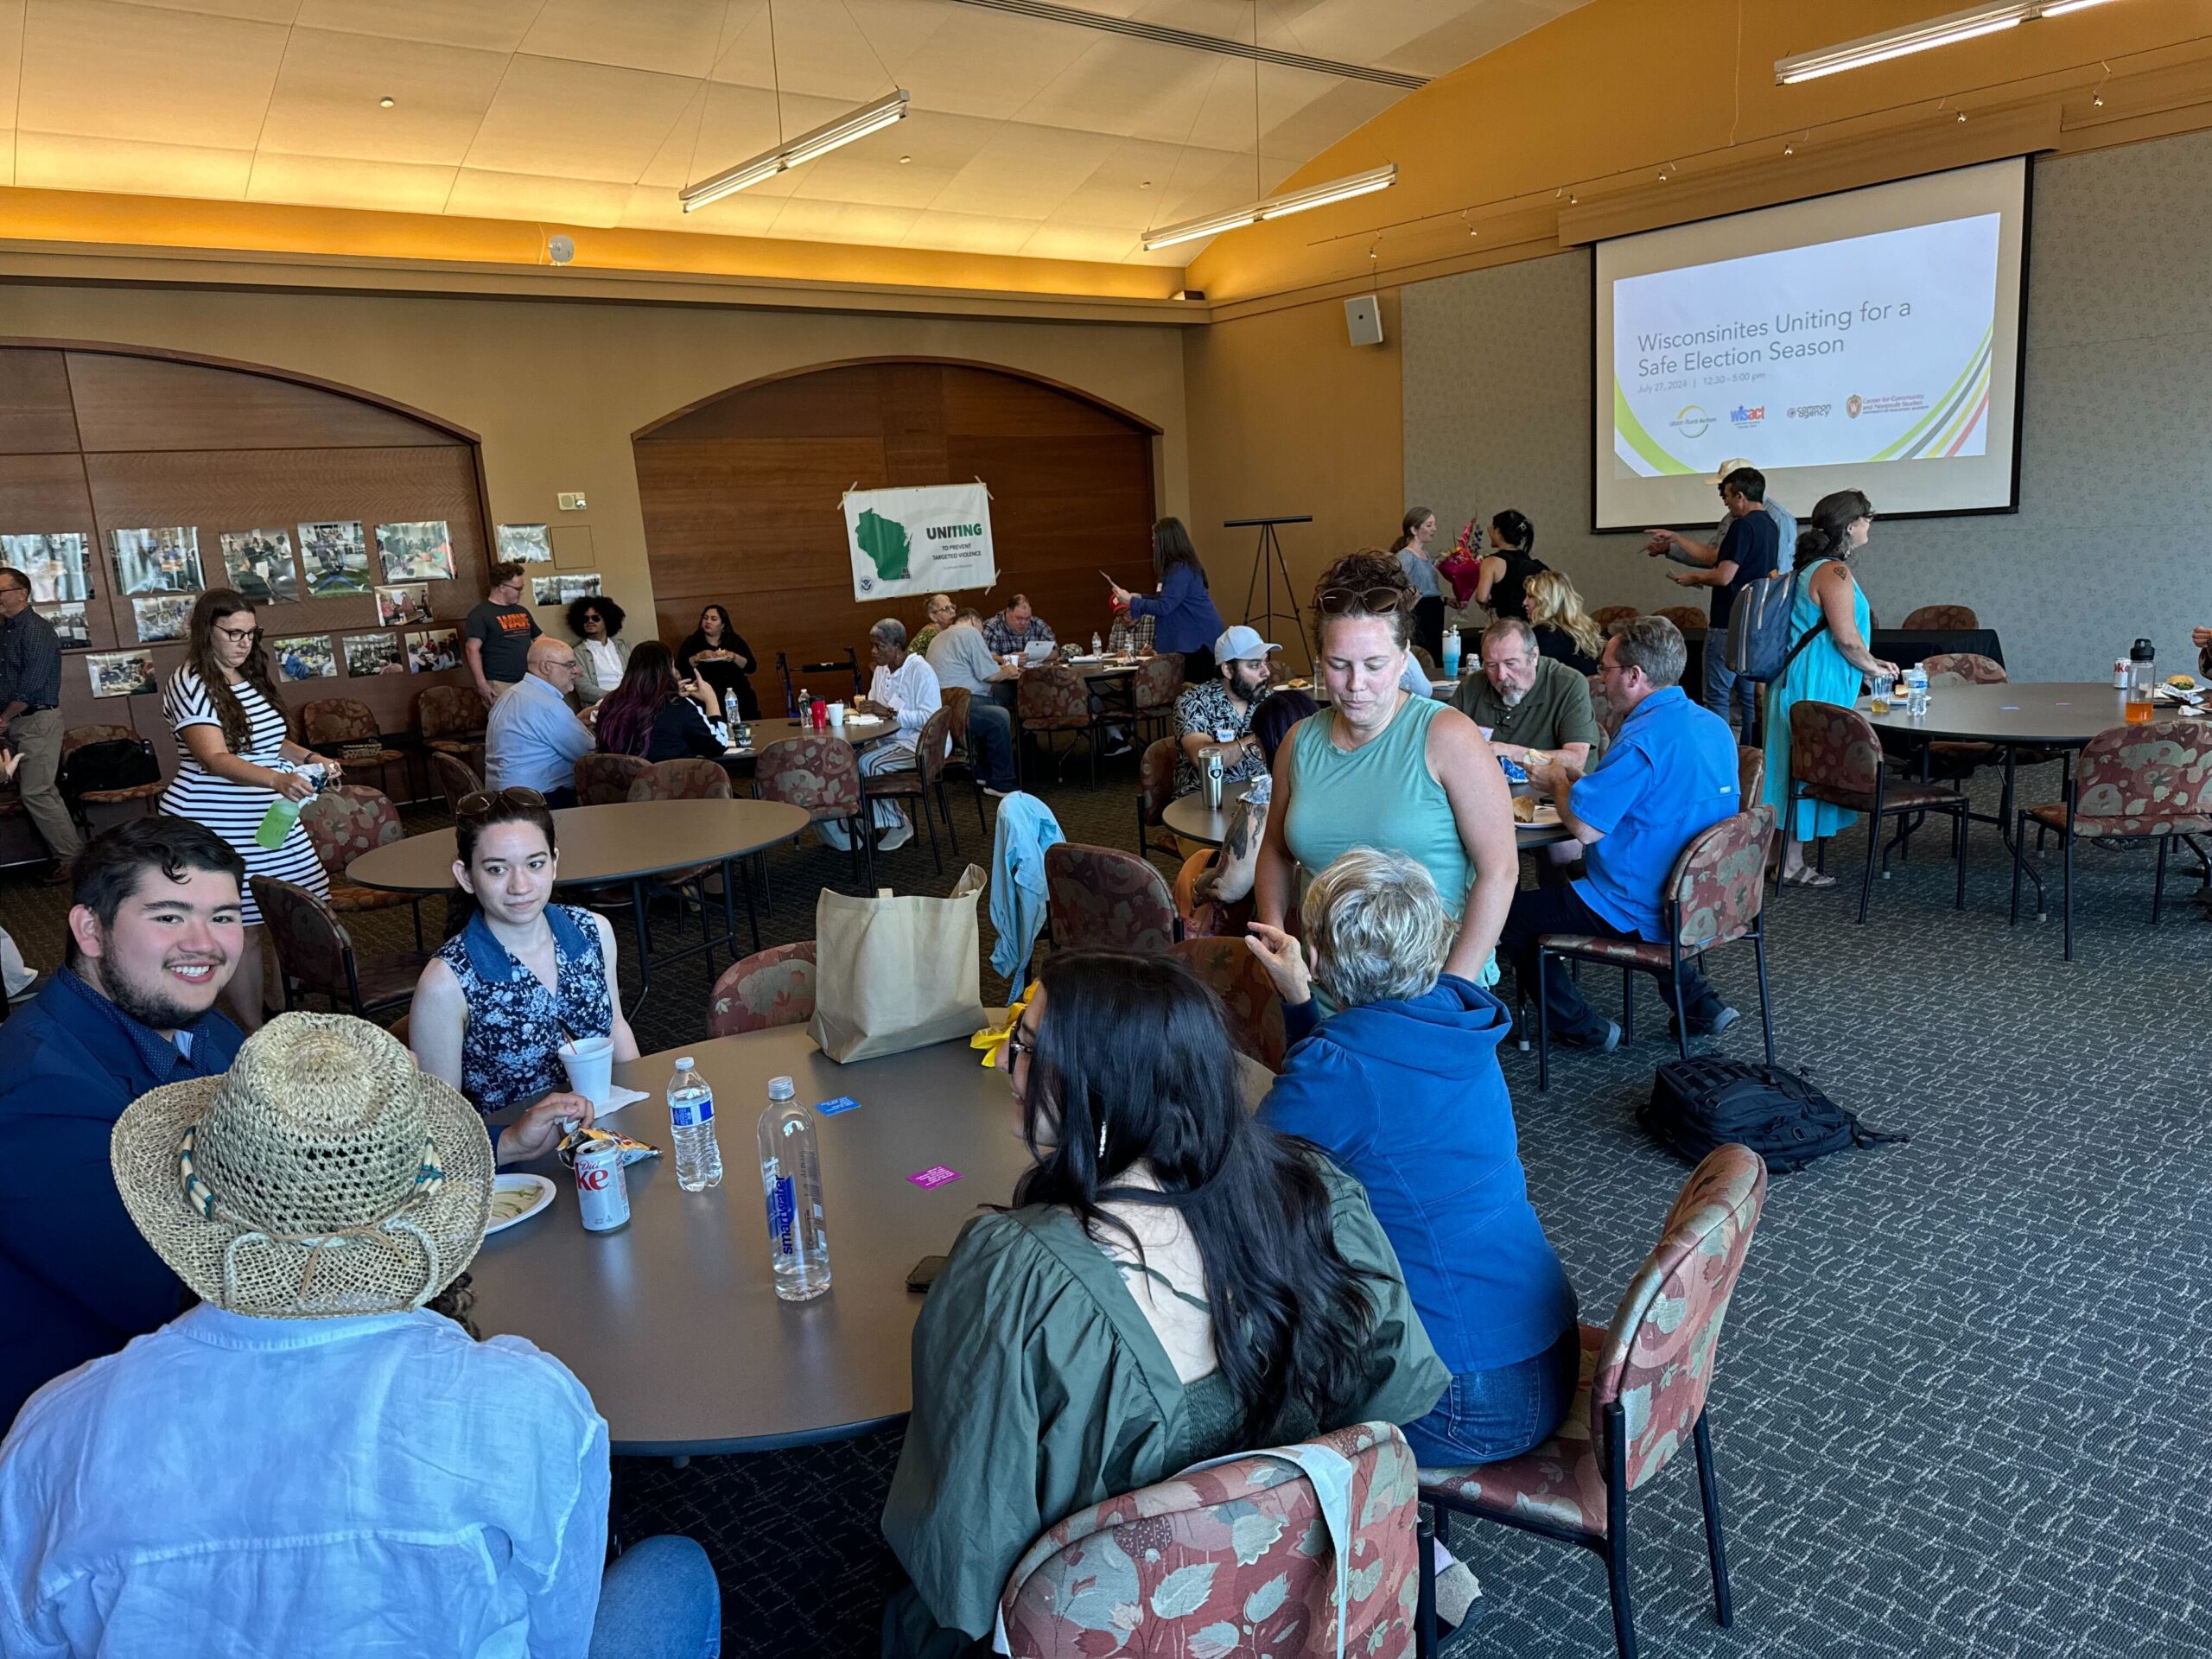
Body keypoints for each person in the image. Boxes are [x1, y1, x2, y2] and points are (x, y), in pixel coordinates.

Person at [0, 1013, 719, 1659]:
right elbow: (556, 1640)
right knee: (674, 1570)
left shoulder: (56, 1434)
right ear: (428, 1206)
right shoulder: (527, 1405)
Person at [880, 950, 1447, 1658]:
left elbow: (965, 1556)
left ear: (1104, 1086)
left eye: (1024, 1048)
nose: (1003, 1066)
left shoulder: (1020, 1275)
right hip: (1296, 1605)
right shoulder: (1316, 1196)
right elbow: (1395, 1398)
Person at [1248, 848, 1579, 1475]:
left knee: (1251, 1383)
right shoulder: (1459, 1015)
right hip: (1548, 1348)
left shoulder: (1340, 1071)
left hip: (1466, 1399)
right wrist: (1301, 1005)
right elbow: (1353, 1089)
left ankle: (1396, 1550)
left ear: (1316, 960)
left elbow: (1245, 1180)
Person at [0, 820, 249, 1429]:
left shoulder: (200, 1026)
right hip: (101, 1412)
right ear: (90, 929)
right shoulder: (38, 1090)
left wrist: (501, 1145)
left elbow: (287, 1146)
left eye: (223, 916)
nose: (205, 944)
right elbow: (174, 1295)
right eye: (168, 917)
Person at [1257, 551, 1518, 996]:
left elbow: (1501, 871)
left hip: (1432, 989)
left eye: (1375, 665)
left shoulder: (1448, 736)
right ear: (1320, 660)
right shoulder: (1298, 743)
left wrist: (1455, 989)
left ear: (1403, 662)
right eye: (1339, 665)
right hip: (1323, 993)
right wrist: (1276, 940)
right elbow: (1277, 852)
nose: (1356, 684)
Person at [1499, 616, 1743, 1049]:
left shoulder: (1640, 741)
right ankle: (1700, 1003)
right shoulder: (1712, 725)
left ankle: (1581, 1027)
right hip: (1705, 893)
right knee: (1624, 906)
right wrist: (1577, 780)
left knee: (1510, 917)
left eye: (1606, 669)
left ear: (1634, 676)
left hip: (1641, 898)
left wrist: (1557, 782)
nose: (1600, 677)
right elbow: (1651, 799)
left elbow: (1585, 830)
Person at [411, 787, 634, 1143]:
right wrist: (513, 1140)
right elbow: (439, 1127)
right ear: (466, 876)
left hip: (612, 1140)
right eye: (497, 869)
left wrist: (644, 1107)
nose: (520, 886)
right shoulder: (446, 981)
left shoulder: (593, 932)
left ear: (555, 862)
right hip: (520, 1166)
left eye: (535, 864)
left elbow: (615, 1027)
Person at [160, 589, 337, 1030]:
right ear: (207, 631)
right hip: (219, 819)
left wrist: (310, 759)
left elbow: (268, 740)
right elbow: (214, 758)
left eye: (250, 634)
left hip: (267, 816)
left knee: (285, 917)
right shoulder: (191, 681)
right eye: (233, 633)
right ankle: (255, 1029)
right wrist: (278, 778)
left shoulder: (246, 672)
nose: (243, 643)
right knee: (246, 928)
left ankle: (280, 1009)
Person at [1763, 490, 1899, 887]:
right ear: (1852, 525)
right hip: (1814, 681)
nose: (1869, 526)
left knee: (1789, 766)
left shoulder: (1812, 568)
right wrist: (1877, 668)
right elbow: (1848, 639)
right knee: (1805, 767)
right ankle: (1789, 865)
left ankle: (1775, 859)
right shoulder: (1834, 572)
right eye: (1868, 519)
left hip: (1799, 679)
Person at [1173, 689, 1316, 938]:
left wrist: (1196, 886)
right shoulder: (1348, 782)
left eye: (1258, 747)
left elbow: (1230, 887)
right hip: (1339, 916)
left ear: (1271, 744)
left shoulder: (1263, 798)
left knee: (1192, 873)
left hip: (1282, 923)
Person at [1654, 465, 1782, 741]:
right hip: (1754, 626)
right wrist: (1676, 539)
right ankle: (1747, 759)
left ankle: (1718, 754)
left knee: (1717, 697)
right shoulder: (1771, 525)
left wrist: (1693, 578)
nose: (1724, 501)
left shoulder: (1741, 526)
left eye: (1725, 495)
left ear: (1740, 496)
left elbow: (1724, 576)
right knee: (1747, 698)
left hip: (1728, 622)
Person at [830, 619, 942, 855]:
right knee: (845, 760)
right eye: (872, 645)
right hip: (888, 739)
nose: (873, 651)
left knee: (866, 764)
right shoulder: (881, 670)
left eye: (879, 646)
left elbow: (931, 717)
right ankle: (868, 817)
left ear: (897, 647)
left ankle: (899, 823)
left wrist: (890, 712)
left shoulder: (920, 670)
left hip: (918, 743)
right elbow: (875, 706)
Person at [0, 566, 81, 883]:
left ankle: (73, 859)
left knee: (38, 792)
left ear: (21, 593)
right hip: (14, 720)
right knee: (35, 791)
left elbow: (31, 685)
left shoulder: (35, 630)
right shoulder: (7, 631)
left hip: (35, 720)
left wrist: (4, 717)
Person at [1450, 616, 1601, 774]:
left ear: (1534, 656)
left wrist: (1511, 753)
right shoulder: (1471, 686)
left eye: (1510, 664)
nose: (1501, 675)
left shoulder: (1568, 684)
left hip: (1552, 794)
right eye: (1492, 665)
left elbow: (1576, 760)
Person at [1108, 518, 1227, 683]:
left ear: (1166, 542)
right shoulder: (1177, 569)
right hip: (1189, 639)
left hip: (1196, 642)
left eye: (1154, 541)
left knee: (1196, 689)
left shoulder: (1181, 570)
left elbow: (1164, 606)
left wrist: (1131, 601)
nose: (1152, 545)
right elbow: (1165, 599)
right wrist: (1139, 597)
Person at [483, 637, 594, 809]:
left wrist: (577, 721)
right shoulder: (548, 706)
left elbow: (537, 735)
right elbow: (588, 755)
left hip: (502, 799)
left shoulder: (510, 694)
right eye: (570, 664)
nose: (578, 671)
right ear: (546, 667)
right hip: (538, 802)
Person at [1644, 456, 1797, 575]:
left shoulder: (1778, 518)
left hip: (1760, 606)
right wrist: (1670, 548)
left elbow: (1781, 570)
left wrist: (1697, 578)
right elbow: (1712, 555)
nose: (1722, 493)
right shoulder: (1730, 519)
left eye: (1724, 487)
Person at [1173, 623, 1275, 798]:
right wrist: (1256, 739)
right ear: (1227, 669)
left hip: (1260, 802)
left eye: (1265, 662)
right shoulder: (1194, 702)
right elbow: (1202, 758)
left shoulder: (1270, 701)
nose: (1266, 672)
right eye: (1254, 665)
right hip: (1205, 804)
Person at [925, 607, 1018, 797]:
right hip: (960, 704)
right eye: (981, 630)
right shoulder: (969, 633)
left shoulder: (939, 636)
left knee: (993, 705)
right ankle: (1001, 781)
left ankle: (984, 772)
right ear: (974, 621)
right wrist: (1009, 670)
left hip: (942, 705)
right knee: (998, 716)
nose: (981, 635)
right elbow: (990, 674)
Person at [595, 641, 727, 763]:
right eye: (673, 665)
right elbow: (717, 746)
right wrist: (711, 700)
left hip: (621, 785)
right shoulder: (680, 706)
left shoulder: (608, 704)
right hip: (671, 785)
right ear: (668, 670)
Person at [462, 561, 540, 703]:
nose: (521, 592)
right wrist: (481, 683)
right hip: (500, 683)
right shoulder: (480, 614)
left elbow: (541, 639)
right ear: (502, 587)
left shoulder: (522, 611)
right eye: (518, 588)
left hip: (528, 681)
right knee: (507, 724)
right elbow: (472, 649)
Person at [677, 603, 760, 722]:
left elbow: (751, 667)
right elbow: (680, 668)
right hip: (706, 698)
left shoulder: (734, 640)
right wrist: (698, 657)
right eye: (705, 618)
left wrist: (734, 656)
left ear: (723, 625)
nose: (708, 622)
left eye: (713, 619)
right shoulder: (692, 642)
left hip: (737, 695)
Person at [1523, 569, 1607, 676]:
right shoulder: (1584, 632)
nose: (1524, 602)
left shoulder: (1541, 635)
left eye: (1530, 596)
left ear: (1547, 600)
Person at [1390, 506, 1446, 664]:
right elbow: (1394, 584)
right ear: (1414, 529)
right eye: (1429, 525)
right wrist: (1411, 598)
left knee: (1434, 651)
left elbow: (1427, 585)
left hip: (1434, 609)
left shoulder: (1426, 555)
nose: (1434, 529)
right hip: (1419, 612)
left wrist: (1446, 600)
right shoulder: (1405, 556)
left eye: (1434, 524)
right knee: (1422, 652)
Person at [1472, 510, 1548, 621]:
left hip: (1503, 622)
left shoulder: (1491, 562)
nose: (1489, 530)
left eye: (1492, 528)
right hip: (1530, 622)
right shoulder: (1529, 561)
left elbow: (1482, 597)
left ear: (1498, 532)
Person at [567, 594, 632, 706]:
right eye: (585, 619)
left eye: (596, 618)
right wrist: (615, 697)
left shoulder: (624, 646)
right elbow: (583, 689)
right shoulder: (577, 653)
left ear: (607, 620)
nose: (590, 621)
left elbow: (639, 674)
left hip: (632, 700)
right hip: (603, 705)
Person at [982, 592, 1055, 660]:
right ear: (1008, 612)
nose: (1023, 623)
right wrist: (1008, 659)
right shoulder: (992, 627)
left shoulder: (1038, 624)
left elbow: (1056, 652)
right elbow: (986, 658)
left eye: (1027, 619)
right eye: (1019, 618)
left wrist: (1033, 656)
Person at [910, 592, 957, 659]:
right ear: (933, 617)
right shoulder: (930, 634)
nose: (952, 611)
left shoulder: (944, 630)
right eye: (945, 609)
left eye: (952, 607)